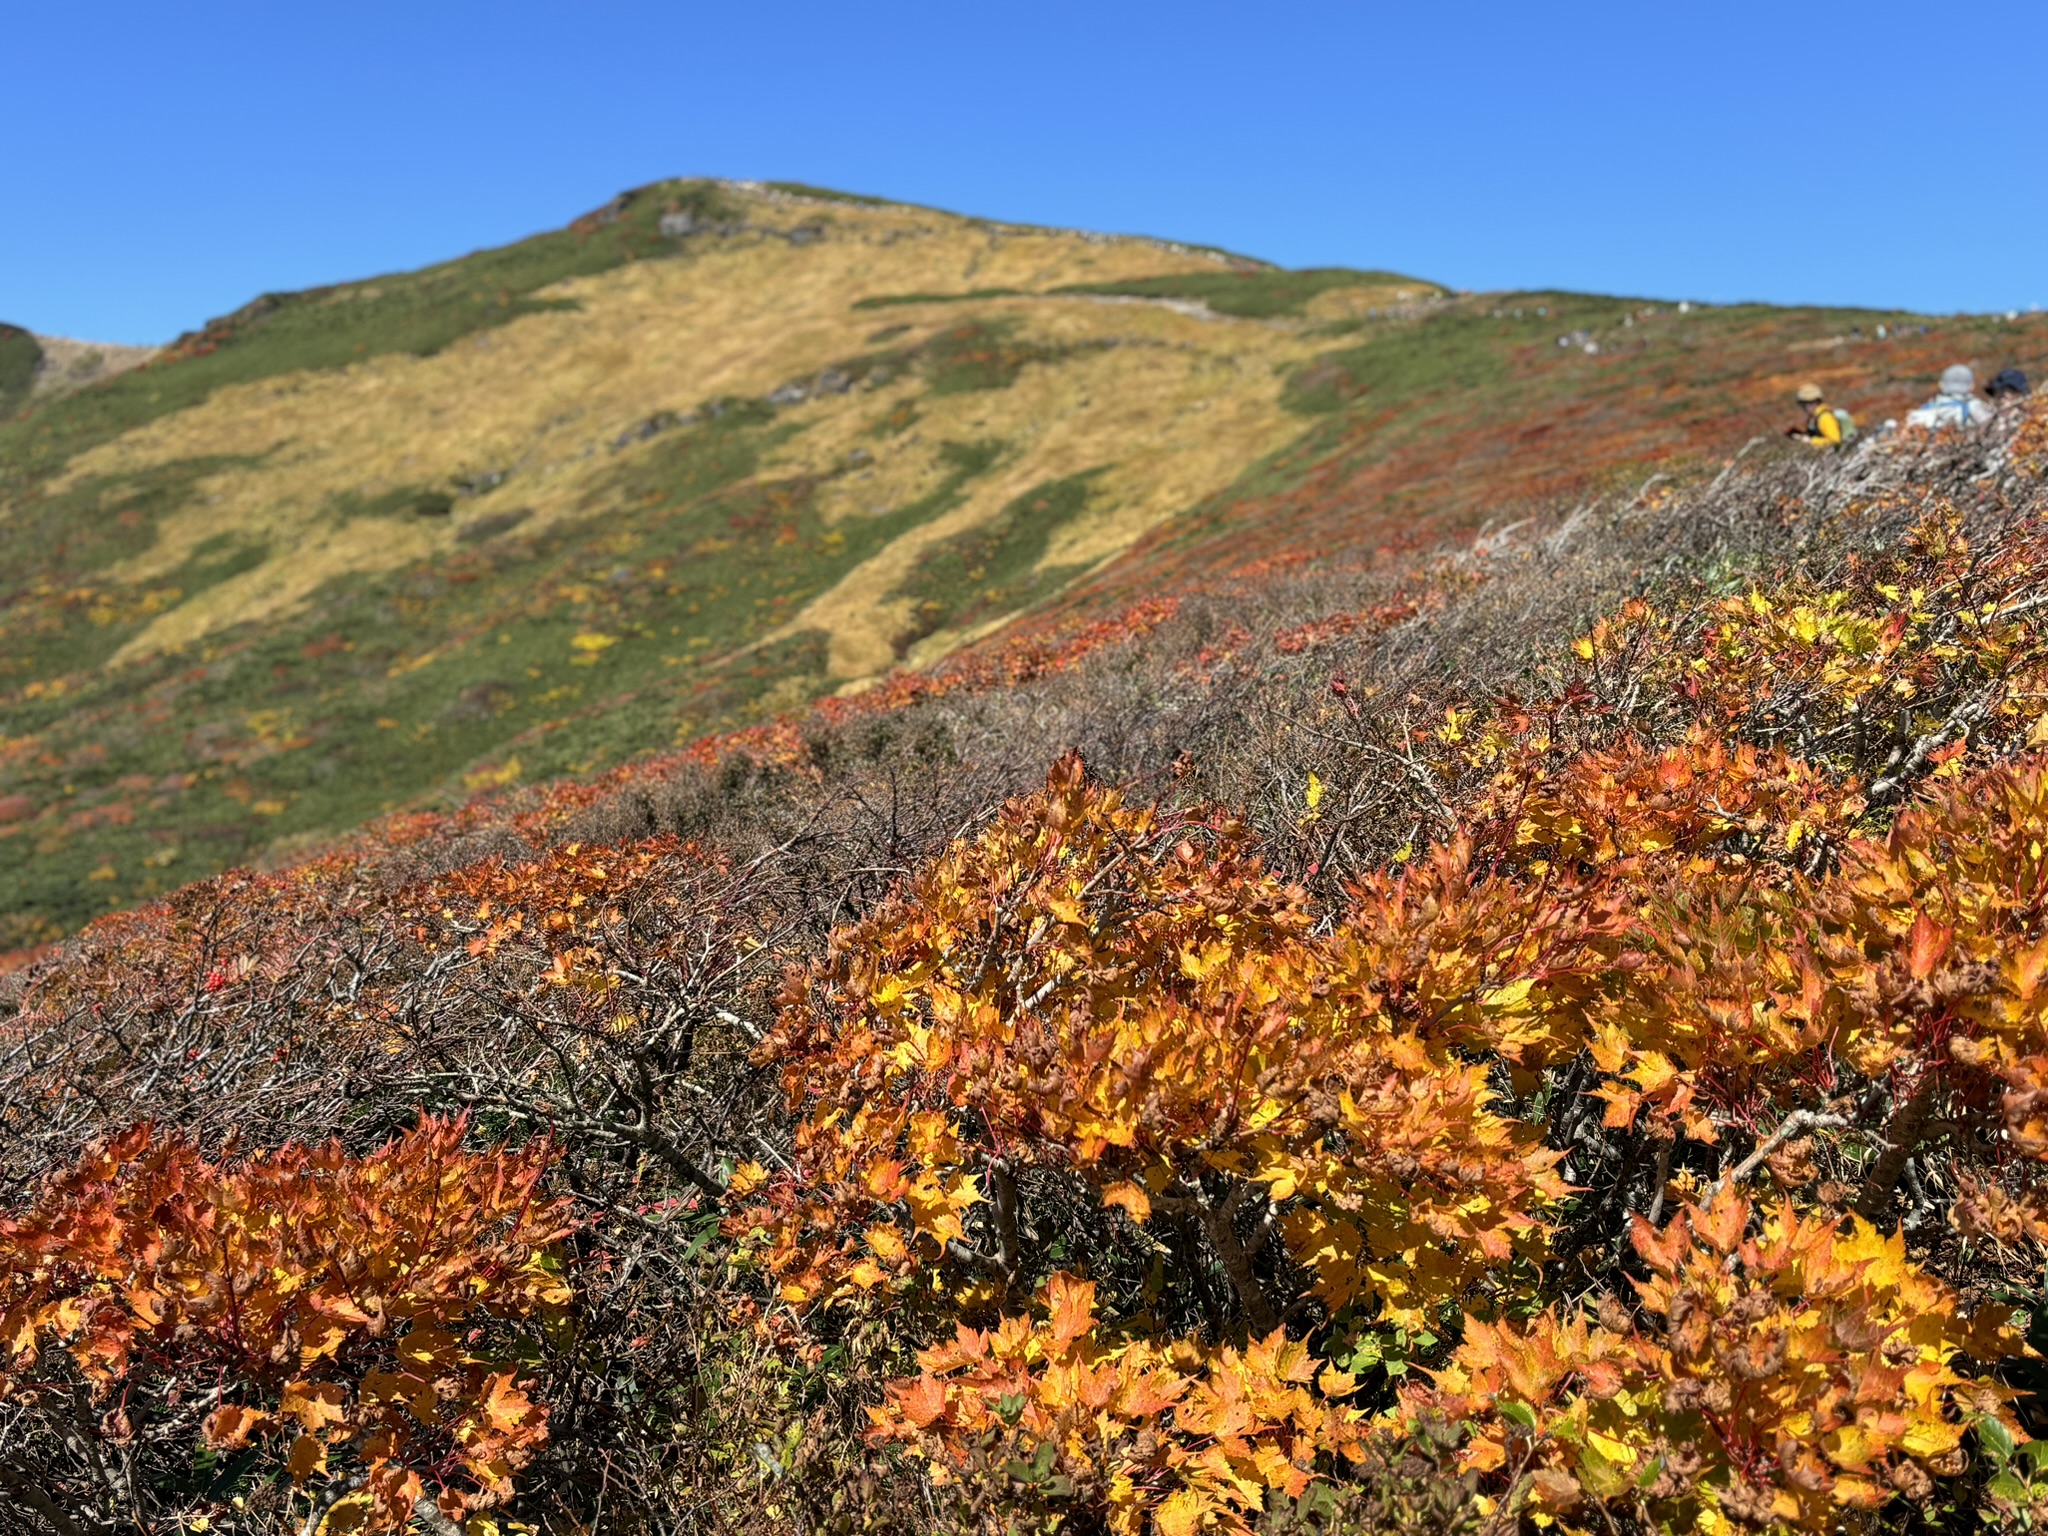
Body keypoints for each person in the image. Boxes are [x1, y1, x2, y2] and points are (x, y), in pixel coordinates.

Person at [1905, 364, 1995, 430]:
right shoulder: (1973, 405)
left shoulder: (1928, 407)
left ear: (1941, 384)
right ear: (1972, 385)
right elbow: (1993, 429)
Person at [1785, 382, 1852, 446]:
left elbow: (1835, 441)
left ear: (1813, 403)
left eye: (1803, 405)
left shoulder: (1825, 418)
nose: (1803, 408)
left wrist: (1811, 441)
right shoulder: (1814, 418)